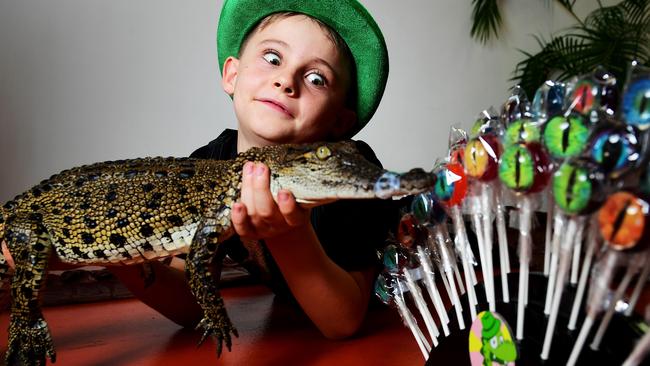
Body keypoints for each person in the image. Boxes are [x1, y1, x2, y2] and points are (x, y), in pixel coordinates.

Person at [74, 0, 397, 340]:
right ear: (232, 74)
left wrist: (287, 233)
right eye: (272, 58)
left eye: (317, 78)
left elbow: (343, 320)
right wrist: (115, 252)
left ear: (340, 123)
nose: (286, 80)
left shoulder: (349, 174)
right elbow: (192, 304)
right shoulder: (207, 167)